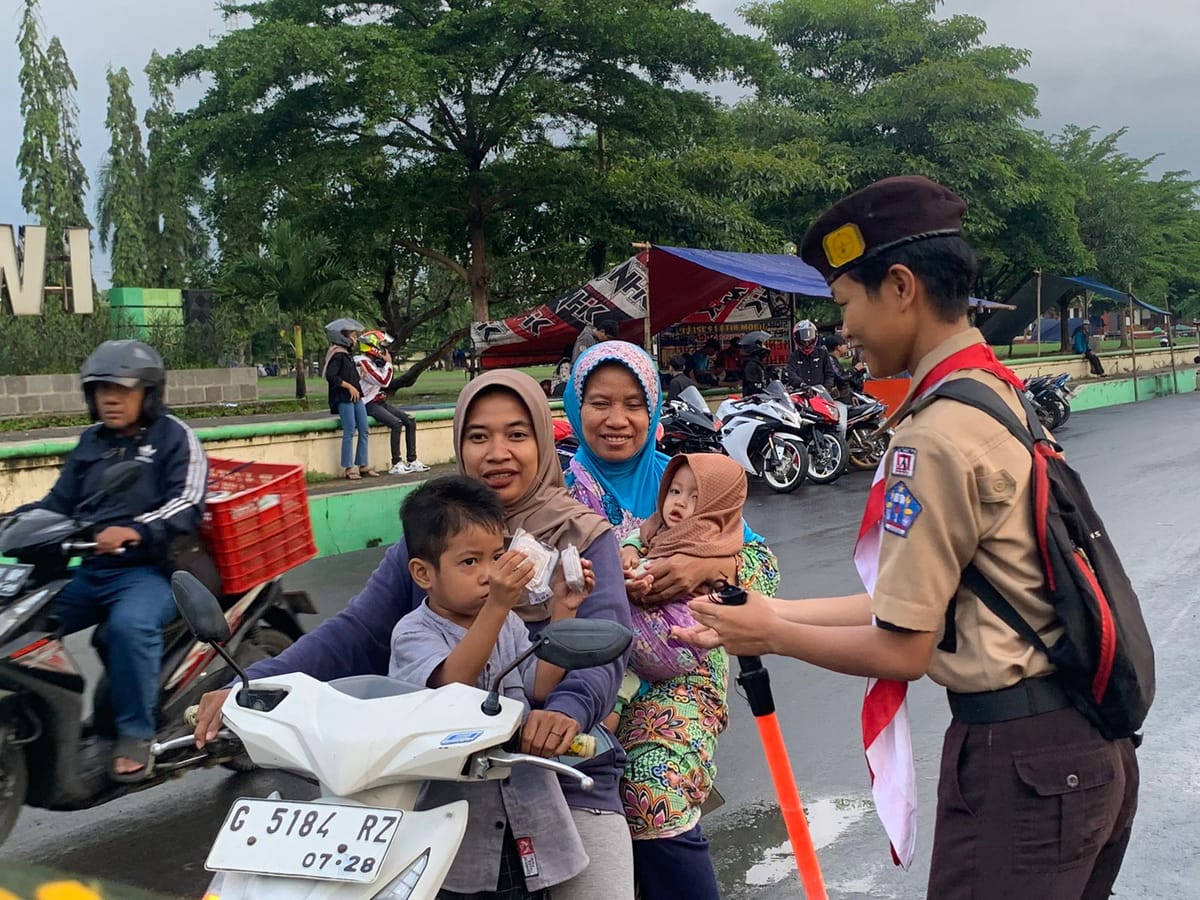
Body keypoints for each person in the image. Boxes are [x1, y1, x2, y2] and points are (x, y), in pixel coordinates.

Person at [678, 175, 1139, 898]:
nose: (843, 331)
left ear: (899, 287)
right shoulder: (995, 393)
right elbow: (914, 603)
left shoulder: (933, 439)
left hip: (1019, 768)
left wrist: (771, 634)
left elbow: (903, 647)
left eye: (845, 304)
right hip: (1083, 750)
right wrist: (765, 616)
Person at [193, 370, 636, 900]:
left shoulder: (582, 534)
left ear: (543, 440)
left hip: (559, 769)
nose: (497, 452)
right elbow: (356, 633)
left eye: (517, 435)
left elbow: (600, 649)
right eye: (478, 436)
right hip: (439, 773)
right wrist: (254, 684)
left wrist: (566, 712)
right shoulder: (430, 538)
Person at [563, 341, 779, 900]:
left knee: (649, 783)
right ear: (574, 405)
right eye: (600, 402)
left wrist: (706, 564)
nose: (617, 420)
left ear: (654, 408)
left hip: (681, 675)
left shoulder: (687, 481)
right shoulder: (559, 490)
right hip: (575, 674)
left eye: (634, 404)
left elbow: (763, 567)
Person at [7, 340, 206, 781]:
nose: (109, 399)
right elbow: (58, 504)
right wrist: (12, 523)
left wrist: (135, 529)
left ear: (148, 393)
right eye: (100, 390)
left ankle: (136, 734)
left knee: (128, 627)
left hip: (151, 570)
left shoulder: (174, 436)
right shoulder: (92, 443)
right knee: (21, 624)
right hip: (89, 570)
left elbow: (189, 503)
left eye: (121, 389)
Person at [389, 476, 594, 899]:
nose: (489, 574)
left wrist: (562, 610)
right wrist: (500, 605)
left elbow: (540, 682)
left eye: (497, 557)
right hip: (456, 832)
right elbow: (452, 687)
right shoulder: (412, 633)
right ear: (423, 573)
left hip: (528, 817)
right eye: (470, 562)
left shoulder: (511, 623)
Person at [618, 454, 747, 683]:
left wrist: (709, 567)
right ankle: (624, 689)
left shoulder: (711, 538)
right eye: (674, 491)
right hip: (643, 650)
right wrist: (629, 549)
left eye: (696, 498)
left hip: (681, 637)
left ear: (715, 506)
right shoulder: (658, 525)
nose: (679, 502)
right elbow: (640, 536)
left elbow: (760, 569)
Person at [355, 330, 430, 475]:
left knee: (409, 420)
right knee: (396, 423)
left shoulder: (371, 362)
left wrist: (385, 364)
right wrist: (388, 364)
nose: (385, 351)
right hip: (368, 403)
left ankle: (412, 460)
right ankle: (396, 462)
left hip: (378, 401)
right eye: (382, 346)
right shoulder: (362, 362)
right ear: (373, 346)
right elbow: (383, 381)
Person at [323, 317, 379, 480]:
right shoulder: (337, 354)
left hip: (356, 397)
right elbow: (331, 376)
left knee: (364, 428)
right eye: (353, 335)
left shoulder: (347, 355)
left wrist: (359, 372)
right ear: (344, 336)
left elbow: (349, 372)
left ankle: (363, 464)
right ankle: (349, 467)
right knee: (349, 430)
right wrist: (348, 386)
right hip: (344, 397)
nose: (355, 339)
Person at [785, 319, 838, 391]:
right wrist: (802, 384)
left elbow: (829, 374)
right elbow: (791, 374)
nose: (807, 344)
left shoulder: (822, 354)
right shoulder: (794, 356)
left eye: (809, 341)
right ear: (796, 339)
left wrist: (826, 389)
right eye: (803, 341)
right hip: (801, 393)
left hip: (820, 394)